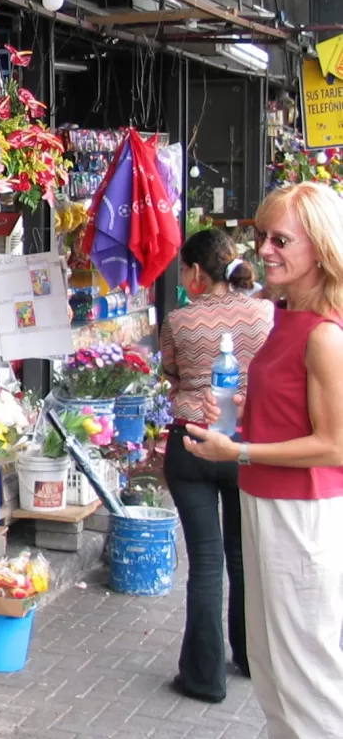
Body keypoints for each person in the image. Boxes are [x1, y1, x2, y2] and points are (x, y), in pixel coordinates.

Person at [185, 182, 343, 739]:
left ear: (320, 249)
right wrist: (244, 408)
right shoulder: (285, 318)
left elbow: (333, 443)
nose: (264, 251)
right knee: (277, 681)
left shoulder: (323, 334)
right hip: (266, 502)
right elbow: (294, 411)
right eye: (262, 237)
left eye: (281, 240)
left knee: (311, 681)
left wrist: (240, 448)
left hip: (302, 516)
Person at [159, 229, 273, 703]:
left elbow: (172, 372)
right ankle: (249, 656)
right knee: (242, 556)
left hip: (193, 443)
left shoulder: (179, 320)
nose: (184, 279)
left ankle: (204, 677)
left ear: (197, 274)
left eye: (184, 271)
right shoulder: (266, 313)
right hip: (247, 444)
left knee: (205, 561)